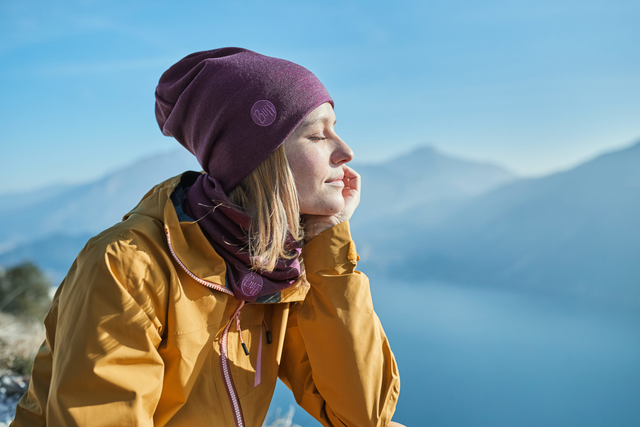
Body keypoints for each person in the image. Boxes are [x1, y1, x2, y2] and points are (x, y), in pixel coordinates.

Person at [11, 48, 402, 427]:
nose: (346, 151)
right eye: (318, 136)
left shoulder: (273, 263)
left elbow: (363, 416)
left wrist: (329, 241)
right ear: (258, 158)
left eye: (336, 130)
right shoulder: (126, 266)